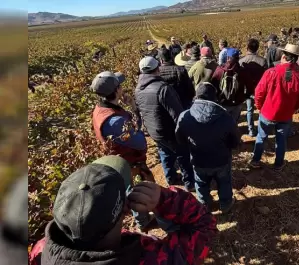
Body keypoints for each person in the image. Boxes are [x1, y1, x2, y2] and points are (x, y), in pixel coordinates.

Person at [29, 156, 217, 265]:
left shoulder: (40, 250)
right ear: (125, 210)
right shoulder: (155, 258)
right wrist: (166, 199)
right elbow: (205, 227)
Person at [90, 71, 156, 232]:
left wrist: (129, 107)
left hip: (120, 158)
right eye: (119, 86)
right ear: (116, 90)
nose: (122, 88)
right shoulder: (115, 121)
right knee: (136, 193)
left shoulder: (101, 109)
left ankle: (144, 218)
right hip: (129, 163)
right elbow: (140, 142)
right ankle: (144, 222)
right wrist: (135, 113)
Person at [176, 83, 240, 214]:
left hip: (198, 159)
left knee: (201, 183)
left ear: (197, 96)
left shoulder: (185, 116)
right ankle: (226, 204)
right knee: (224, 182)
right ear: (214, 97)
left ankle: (204, 206)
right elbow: (234, 142)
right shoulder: (226, 117)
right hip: (221, 160)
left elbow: (180, 139)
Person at [135, 56, 195, 191]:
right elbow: (177, 114)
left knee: (165, 154)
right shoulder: (163, 88)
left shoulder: (138, 88)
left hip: (154, 131)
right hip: (170, 132)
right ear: (157, 69)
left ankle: (170, 178)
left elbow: (139, 111)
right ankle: (189, 183)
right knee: (183, 156)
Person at [250, 44, 299, 171]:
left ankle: (255, 160)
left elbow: (258, 93)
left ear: (283, 56)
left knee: (261, 137)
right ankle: (278, 164)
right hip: (285, 115)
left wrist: (260, 107)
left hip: (268, 113)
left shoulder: (270, 73)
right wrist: (293, 109)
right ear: (296, 59)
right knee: (281, 139)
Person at [239, 38, 267, 137]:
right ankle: (261, 129)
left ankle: (251, 130)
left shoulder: (241, 61)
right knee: (261, 110)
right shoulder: (263, 61)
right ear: (257, 48)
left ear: (247, 48)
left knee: (249, 109)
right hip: (260, 89)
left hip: (247, 89)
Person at [211, 48, 247, 122]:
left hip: (223, 102)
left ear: (227, 58)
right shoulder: (242, 71)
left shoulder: (220, 70)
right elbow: (248, 87)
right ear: (238, 58)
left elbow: (213, 84)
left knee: (222, 123)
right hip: (237, 103)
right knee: (234, 123)